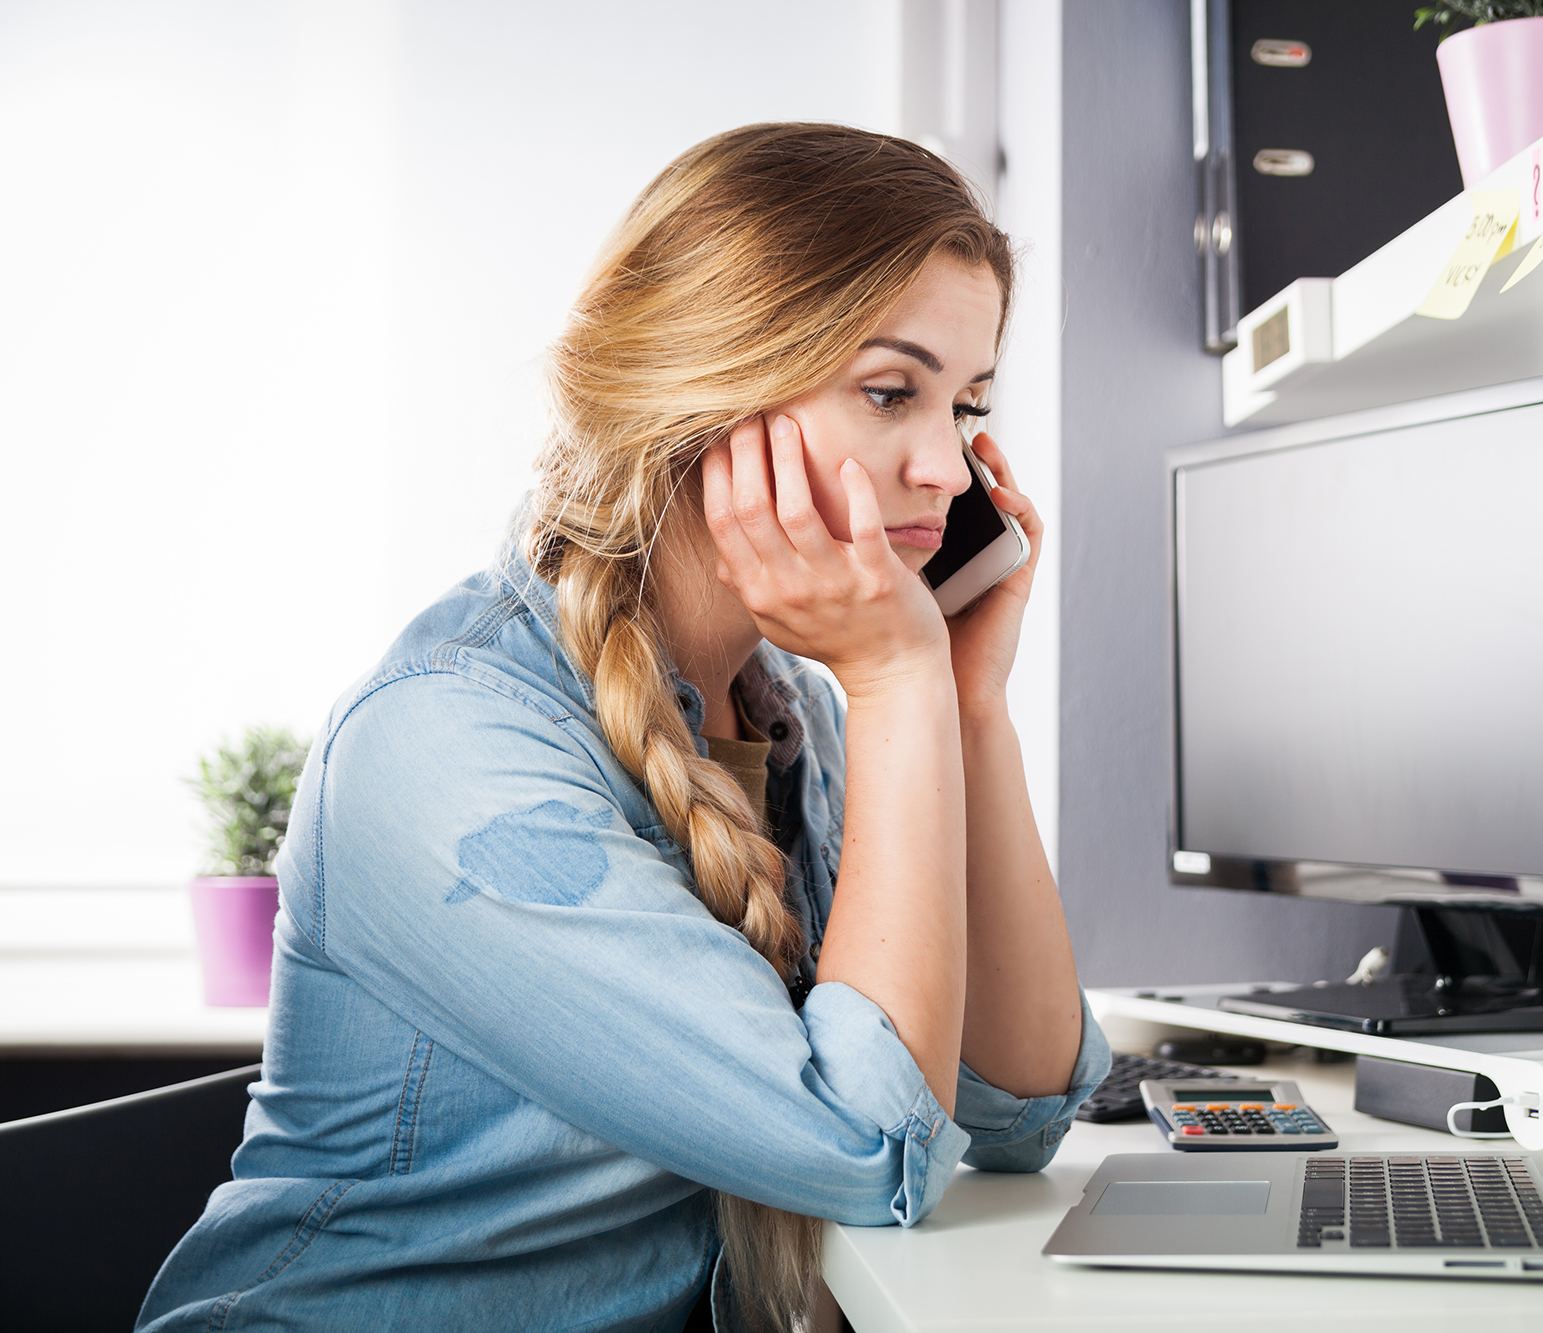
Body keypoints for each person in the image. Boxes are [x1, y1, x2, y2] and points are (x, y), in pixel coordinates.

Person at [138, 123, 1109, 1333]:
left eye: (964, 404)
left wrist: (963, 704)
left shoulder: (791, 710)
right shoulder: (447, 744)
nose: (953, 472)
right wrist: (900, 681)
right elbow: (868, 1146)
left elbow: (1016, 1111)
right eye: (887, 392)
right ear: (710, 394)